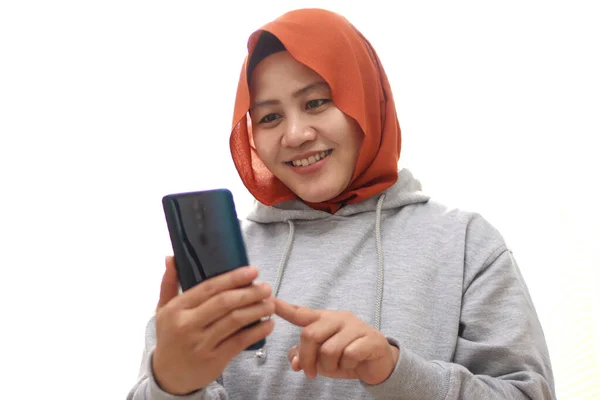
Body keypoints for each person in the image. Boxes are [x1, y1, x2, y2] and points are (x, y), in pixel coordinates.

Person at [127, 8, 555, 400]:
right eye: (270, 117)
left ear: (366, 100)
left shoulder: (465, 244)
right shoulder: (224, 262)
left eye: (316, 102)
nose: (295, 134)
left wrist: (394, 370)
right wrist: (172, 386)